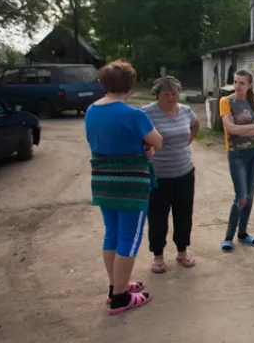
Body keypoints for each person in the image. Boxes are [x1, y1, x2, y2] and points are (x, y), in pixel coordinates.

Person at [85, 59, 163, 315]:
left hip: (103, 182)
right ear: (129, 86)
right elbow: (157, 141)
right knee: (129, 240)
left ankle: (115, 286)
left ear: (103, 84)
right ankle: (120, 298)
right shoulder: (133, 114)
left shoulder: (91, 110)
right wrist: (146, 146)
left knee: (112, 235)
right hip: (130, 184)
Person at [143, 76, 201, 274]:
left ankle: (182, 252)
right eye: (166, 94)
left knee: (184, 214)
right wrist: (145, 149)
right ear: (158, 95)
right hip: (158, 176)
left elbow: (195, 125)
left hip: (184, 172)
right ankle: (158, 256)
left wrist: (186, 143)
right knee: (158, 217)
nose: (171, 98)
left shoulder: (185, 111)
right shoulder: (147, 113)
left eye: (174, 93)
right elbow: (137, 135)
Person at [219, 69, 254, 253]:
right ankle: (229, 236)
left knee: (250, 196)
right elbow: (230, 129)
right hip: (236, 153)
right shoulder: (226, 101)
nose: (237, 86)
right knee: (241, 197)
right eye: (235, 82)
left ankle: (243, 233)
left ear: (249, 85)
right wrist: (251, 126)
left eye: (241, 83)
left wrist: (244, 128)